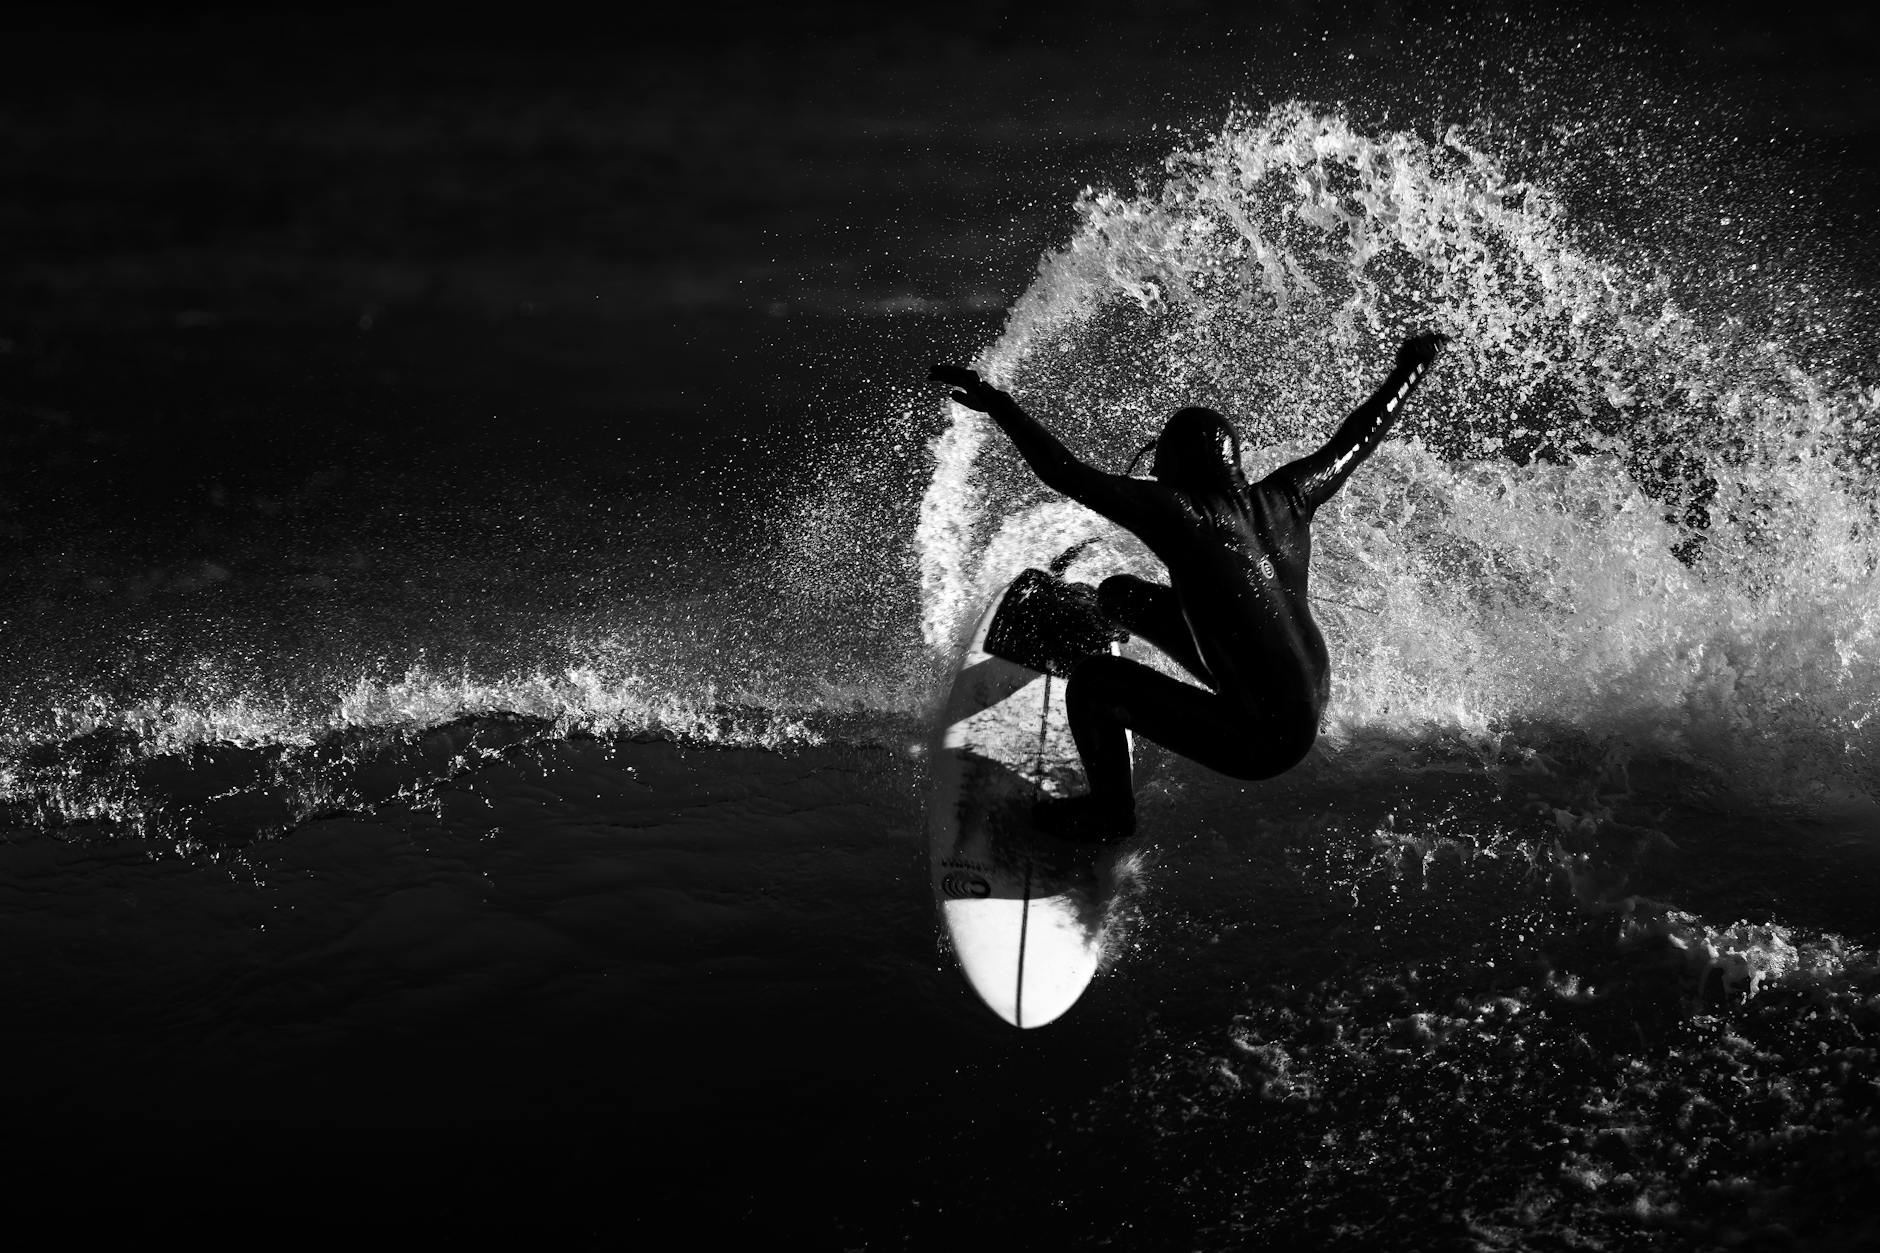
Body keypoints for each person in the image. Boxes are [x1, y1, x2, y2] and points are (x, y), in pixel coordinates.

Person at [930, 333, 1448, 841]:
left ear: (1179, 468)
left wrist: (998, 404)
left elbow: (1064, 472)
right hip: (1308, 699)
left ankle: (1110, 813)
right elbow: (1357, 438)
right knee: (1120, 595)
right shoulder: (1287, 494)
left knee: (1093, 682)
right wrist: (1410, 370)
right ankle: (1092, 628)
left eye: (1160, 465)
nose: (1153, 475)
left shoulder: (1181, 513)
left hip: (1265, 737)